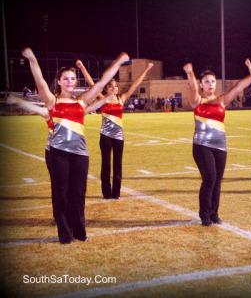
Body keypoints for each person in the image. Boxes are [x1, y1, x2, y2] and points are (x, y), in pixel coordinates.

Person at [22, 47, 129, 244]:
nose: (70, 81)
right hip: (57, 154)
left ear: (76, 81)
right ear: (59, 81)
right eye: (66, 78)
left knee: (78, 194)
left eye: (72, 78)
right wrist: (32, 58)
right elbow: (40, 81)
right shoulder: (52, 101)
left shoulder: (81, 101)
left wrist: (119, 62)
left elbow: (103, 81)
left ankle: (79, 230)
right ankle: (64, 230)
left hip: (80, 154)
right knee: (61, 193)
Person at [183, 62, 251, 226]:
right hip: (202, 146)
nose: (210, 84)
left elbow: (237, 86)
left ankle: (214, 214)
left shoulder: (221, 100)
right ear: (201, 84)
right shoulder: (197, 100)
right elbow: (192, 87)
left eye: (213, 81)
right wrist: (190, 72)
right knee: (209, 179)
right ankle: (205, 215)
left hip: (220, 146)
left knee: (217, 181)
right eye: (206, 81)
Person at [78, 60, 154, 199]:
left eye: (116, 86)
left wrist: (146, 69)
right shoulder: (103, 99)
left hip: (119, 137)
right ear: (106, 89)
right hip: (106, 136)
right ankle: (106, 193)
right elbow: (92, 84)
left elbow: (135, 84)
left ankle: (116, 193)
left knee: (118, 165)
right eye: (111, 86)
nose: (114, 88)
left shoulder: (121, 99)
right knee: (106, 164)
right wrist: (83, 67)